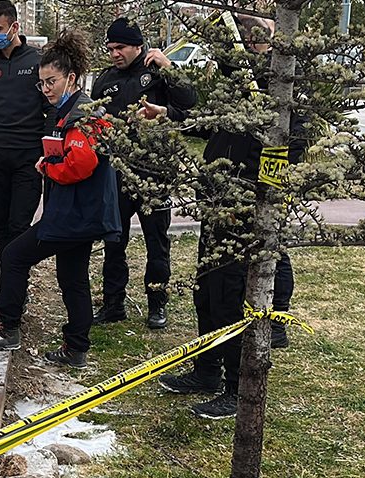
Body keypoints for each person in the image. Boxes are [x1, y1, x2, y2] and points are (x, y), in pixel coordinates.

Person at [158, 14, 299, 420]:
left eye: (230, 50)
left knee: (230, 299)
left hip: (246, 212)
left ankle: (238, 389)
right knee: (206, 293)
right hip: (215, 206)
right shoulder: (237, 90)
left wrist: (262, 198)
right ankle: (206, 372)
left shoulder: (278, 91)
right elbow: (213, 128)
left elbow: (291, 149)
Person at [0, 30, 120, 368]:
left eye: (51, 81)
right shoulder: (68, 112)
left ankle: (7, 326)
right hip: (79, 213)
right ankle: (76, 347)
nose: (46, 89)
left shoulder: (82, 114)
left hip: (74, 214)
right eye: (41, 83)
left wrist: (48, 168)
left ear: (72, 78)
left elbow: (80, 165)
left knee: (15, 254)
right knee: (72, 276)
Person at [90, 17, 198, 329]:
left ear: (138, 45)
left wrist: (169, 68)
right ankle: (113, 303)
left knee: (156, 241)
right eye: (110, 48)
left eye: (120, 47)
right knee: (114, 240)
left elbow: (189, 102)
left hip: (153, 173)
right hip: (116, 172)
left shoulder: (156, 72)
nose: (114, 53)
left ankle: (157, 304)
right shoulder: (106, 78)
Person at [0, 0, 51, 255]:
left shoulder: (38, 60)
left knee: (20, 225)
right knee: (0, 224)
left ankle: (17, 284)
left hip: (29, 155)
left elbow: (52, 106)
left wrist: (49, 151)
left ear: (14, 27)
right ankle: (8, 281)